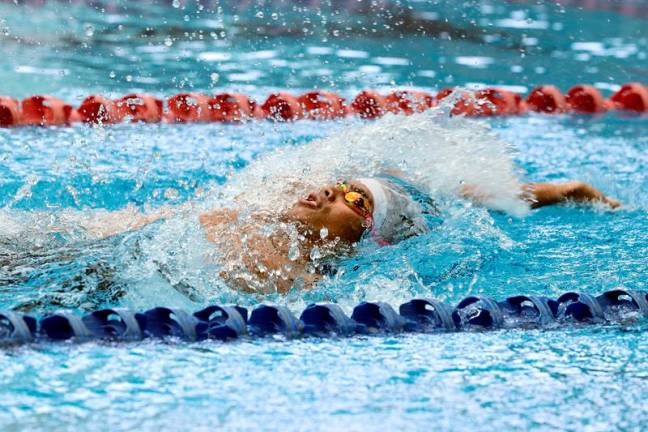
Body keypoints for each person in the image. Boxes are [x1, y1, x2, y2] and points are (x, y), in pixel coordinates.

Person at [87, 176, 619, 294]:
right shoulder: (244, 210)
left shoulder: (304, 285)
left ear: (369, 239)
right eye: (338, 185)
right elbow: (458, 191)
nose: (326, 193)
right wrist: (563, 190)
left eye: (354, 201)